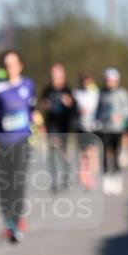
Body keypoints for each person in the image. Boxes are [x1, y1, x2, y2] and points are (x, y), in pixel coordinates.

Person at [0, 49, 40, 243]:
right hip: (0, 141)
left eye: (13, 64)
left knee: (18, 181)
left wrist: (36, 118)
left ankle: (17, 221)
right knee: (3, 184)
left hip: (22, 139)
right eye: (6, 65)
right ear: (2, 67)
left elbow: (32, 108)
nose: (10, 68)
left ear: (20, 65)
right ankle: (8, 221)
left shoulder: (28, 84)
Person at [95, 68, 128, 195]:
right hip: (104, 128)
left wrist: (121, 116)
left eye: (112, 81)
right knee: (105, 152)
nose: (109, 83)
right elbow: (97, 109)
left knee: (116, 153)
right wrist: (98, 120)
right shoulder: (101, 93)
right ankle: (106, 179)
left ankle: (116, 178)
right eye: (107, 80)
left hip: (117, 129)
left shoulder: (123, 93)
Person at [40, 63, 75, 192]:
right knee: (53, 152)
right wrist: (45, 105)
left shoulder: (68, 90)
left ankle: (66, 177)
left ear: (63, 77)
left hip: (64, 126)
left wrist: (69, 103)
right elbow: (42, 104)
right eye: (53, 76)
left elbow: (74, 109)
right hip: (51, 126)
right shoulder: (47, 90)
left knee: (63, 153)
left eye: (58, 76)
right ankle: (54, 180)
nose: (55, 79)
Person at [72, 73, 100, 191]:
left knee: (90, 152)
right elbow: (73, 108)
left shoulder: (96, 93)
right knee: (83, 152)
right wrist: (78, 110)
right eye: (84, 82)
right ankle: (83, 173)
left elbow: (99, 107)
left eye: (88, 82)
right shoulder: (76, 93)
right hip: (80, 126)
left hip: (92, 127)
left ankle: (89, 176)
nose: (86, 84)